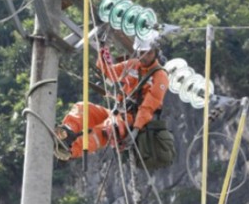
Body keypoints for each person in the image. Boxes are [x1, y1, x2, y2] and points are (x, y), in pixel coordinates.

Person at [55, 31, 169, 160]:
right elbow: (109, 72)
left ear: (156, 52)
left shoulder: (160, 77)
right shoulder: (133, 64)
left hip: (133, 120)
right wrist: (103, 50)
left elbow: (148, 107)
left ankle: (71, 151)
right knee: (83, 108)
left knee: (107, 129)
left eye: (149, 53)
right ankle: (65, 131)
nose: (145, 56)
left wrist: (136, 129)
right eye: (142, 53)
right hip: (118, 112)